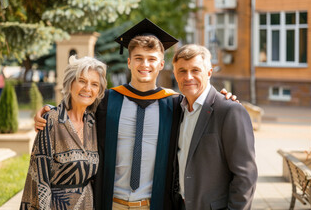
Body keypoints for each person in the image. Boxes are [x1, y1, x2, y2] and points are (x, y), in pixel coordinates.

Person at [34, 19, 236, 210]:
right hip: (110, 202)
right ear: (129, 62)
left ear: (161, 64)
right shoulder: (107, 100)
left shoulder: (175, 104)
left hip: (155, 203)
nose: (144, 64)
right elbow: (76, 110)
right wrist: (50, 111)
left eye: (151, 59)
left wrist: (226, 100)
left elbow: (205, 111)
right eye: (138, 58)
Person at [171, 44, 258, 210]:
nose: (188, 77)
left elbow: (246, 175)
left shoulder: (229, 110)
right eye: (182, 71)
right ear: (175, 74)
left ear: (209, 72)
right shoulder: (176, 109)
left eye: (195, 70)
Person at [20, 56, 107, 209]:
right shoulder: (51, 122)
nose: (88, 88)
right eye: (82, 81)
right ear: (70, 83)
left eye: (94, 84)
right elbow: (39, 179)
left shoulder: (93, 122)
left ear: (99, 90)